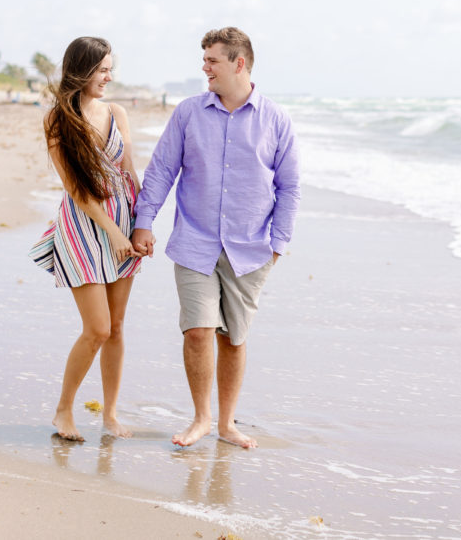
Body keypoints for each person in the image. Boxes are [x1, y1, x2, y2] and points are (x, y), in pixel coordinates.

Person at [132, 27, 300, 449]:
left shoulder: (275, 119)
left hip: (251, 248)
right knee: (198, 331)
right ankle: (201, 418)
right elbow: (161, 170)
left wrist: (278, 243)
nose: (204, 67)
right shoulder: (189, 113)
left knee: (234, 338)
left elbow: (290, 186)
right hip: (195, 241)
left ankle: (227, 424)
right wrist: (144, 221)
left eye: (212, 60)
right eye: (204, 59)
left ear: (238, 63)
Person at [29, 36, 148, 441]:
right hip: (84, 226)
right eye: (101, 69)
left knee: (116, 328)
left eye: (111, 69)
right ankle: (64, 411)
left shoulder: (116, 112)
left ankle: (110, 415)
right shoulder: (57, 121)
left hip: (123, 222)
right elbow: (77, 190)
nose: (108, 77)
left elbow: (130, 169)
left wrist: (141, 224)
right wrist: (113, 233)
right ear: (80, 70)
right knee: (96, 328)